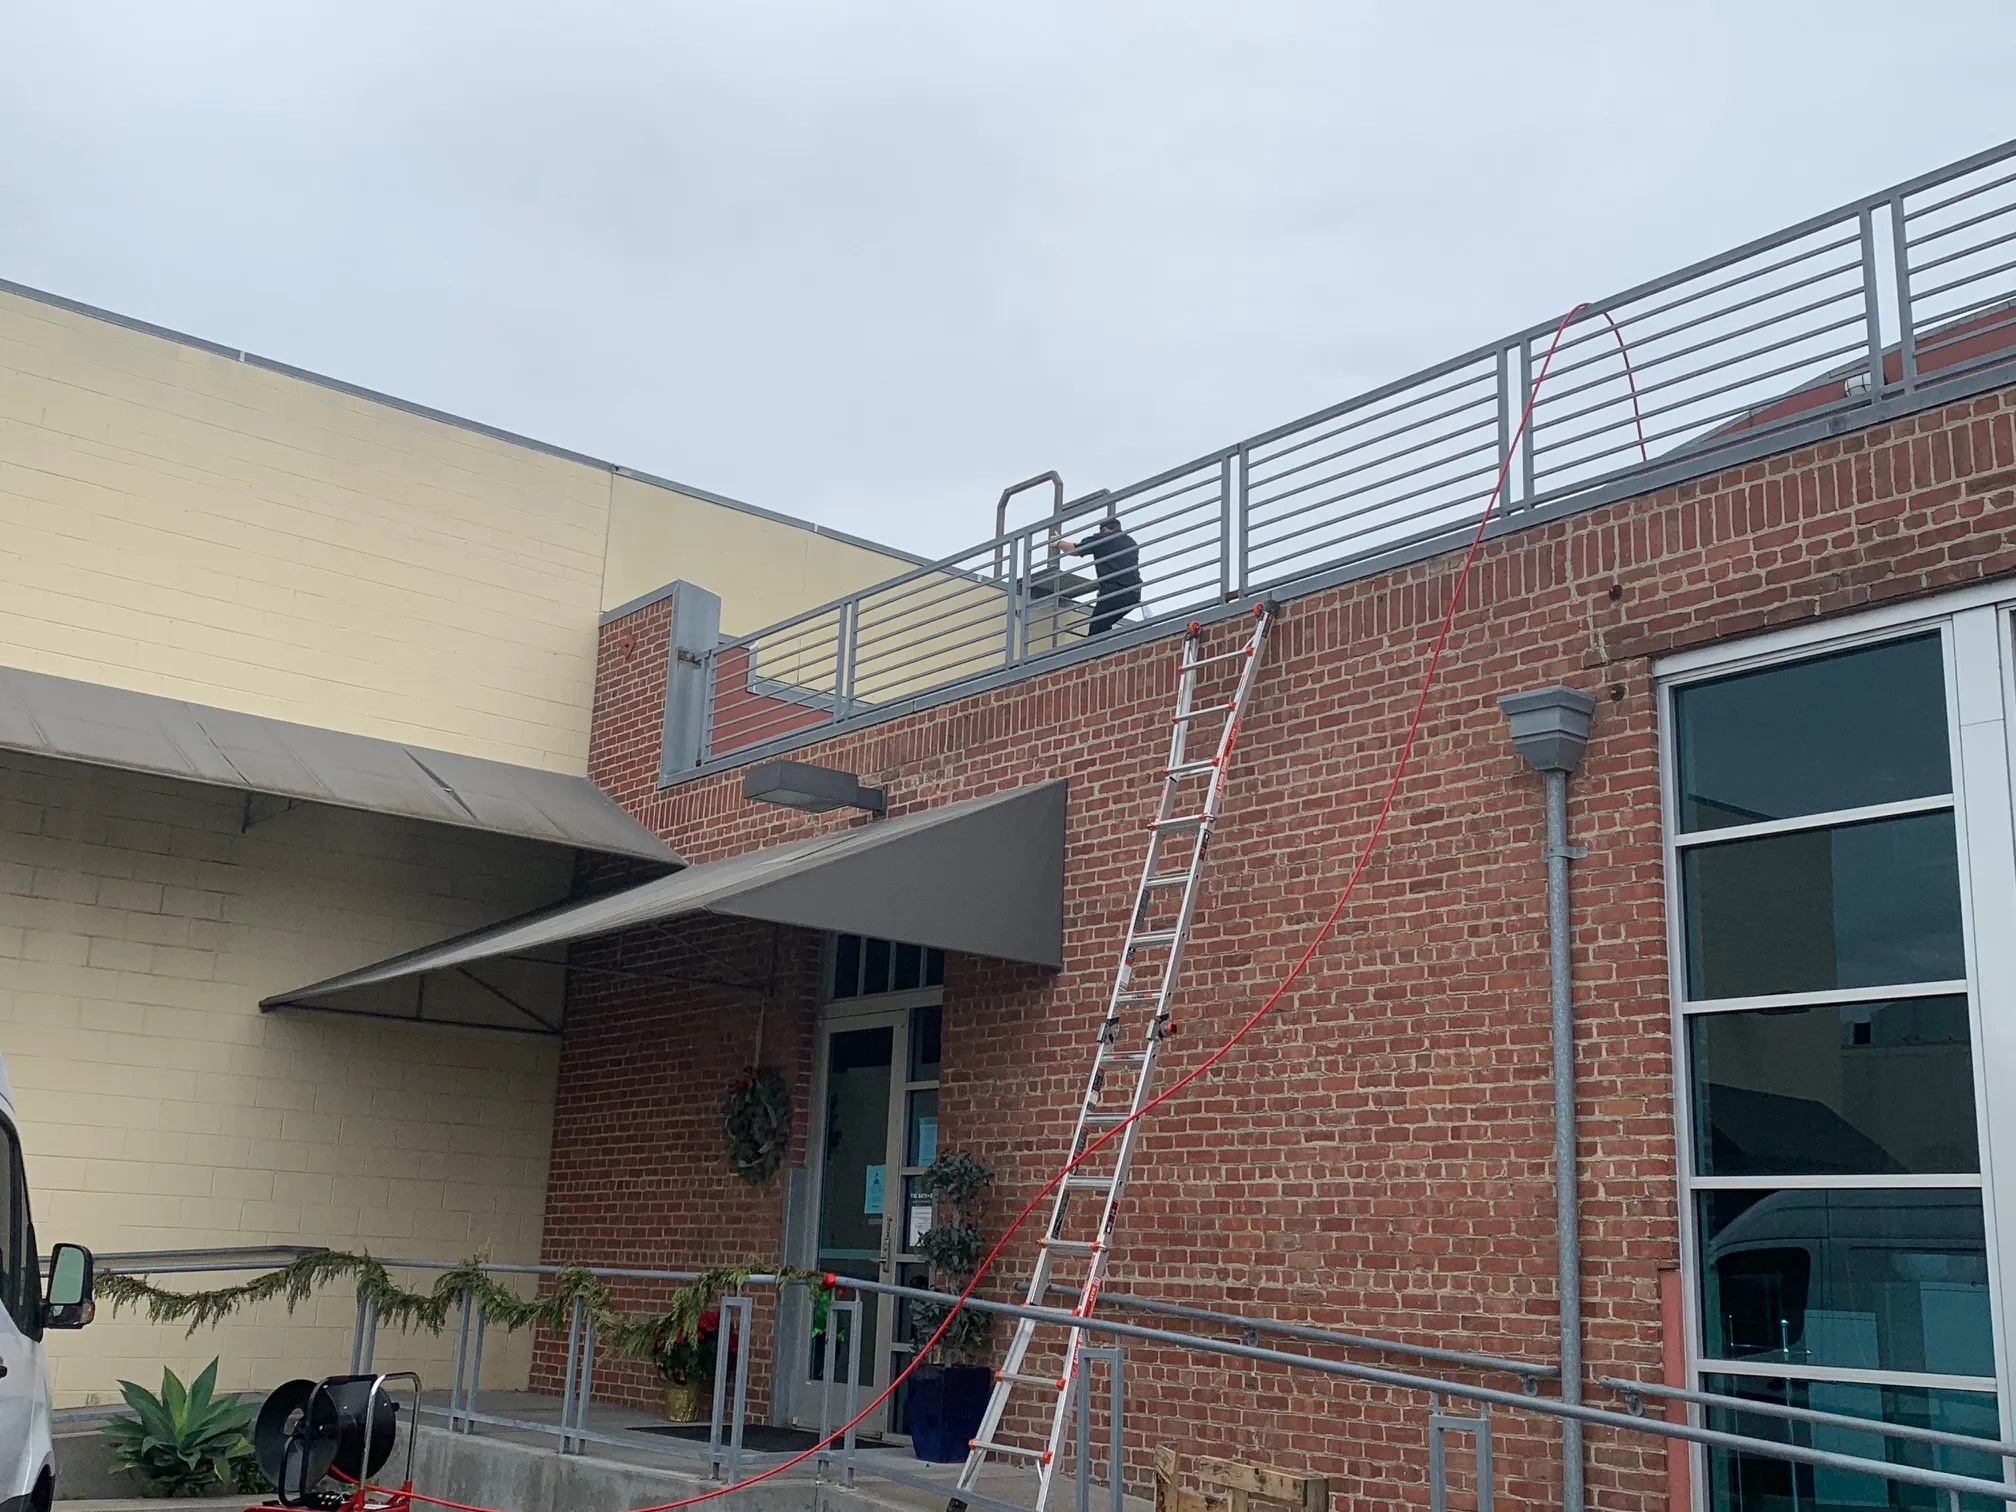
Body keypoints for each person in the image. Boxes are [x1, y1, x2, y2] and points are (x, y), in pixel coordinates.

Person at [1052, 516, 1141, 635]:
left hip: (1114, 592)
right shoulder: (1131, 542)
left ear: (1103, 529)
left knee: (1096, 629)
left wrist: (1059, 543)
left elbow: (1075, 550)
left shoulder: (1102, 538)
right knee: (1103, 626)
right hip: (1133, 594)